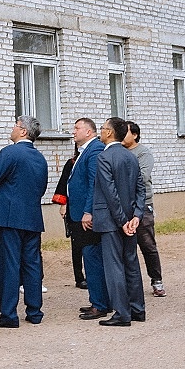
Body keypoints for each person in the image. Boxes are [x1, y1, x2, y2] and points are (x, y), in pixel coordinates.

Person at [83, 117, 146, 326]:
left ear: (109, 133)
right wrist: (135, 216)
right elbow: (140, 189)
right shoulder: (130, 157)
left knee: (114, 267)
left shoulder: (104, 157)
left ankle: (122, 313)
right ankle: (137, 309)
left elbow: (110, 193)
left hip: (112, 221)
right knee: (131, 263)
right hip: (129, 220)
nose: (100, 132)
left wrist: (121, 221)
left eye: (102, 129)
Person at [0, 117, 48, 328]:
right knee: (31, 265)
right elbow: (41, 188)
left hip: (9, 217)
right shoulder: (40, 157)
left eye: (15, 125)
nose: (12, 128)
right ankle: (34, 311)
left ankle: (9, 314)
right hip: (32, 216)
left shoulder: (10, 152)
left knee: (9, 265)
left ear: (23, 131)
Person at [65, 117, 111, 320]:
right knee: (89, 257)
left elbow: (94, 183)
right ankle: (98, 300)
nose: (73, 132)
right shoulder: (85, 151)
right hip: (78, 213)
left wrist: (88, 211)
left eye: (77, 128)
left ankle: (100, 304)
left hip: (87, 216)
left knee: (92, 258)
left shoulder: (94, 151)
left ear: (89, 132)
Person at [124, 121, 164, 297]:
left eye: (125, 132)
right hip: (122, 205)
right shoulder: (117, 151)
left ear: (135, 135)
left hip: (142, 204)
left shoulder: (143, 153)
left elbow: (142, 176)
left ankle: (157, 281)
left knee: (147, 244)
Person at [53, 144, 85, 289]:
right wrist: (63, 204)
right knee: (77, 245)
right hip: (73, 209)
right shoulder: (71, 163)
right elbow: (63, 184)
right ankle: (79, 277)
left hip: (90, 208)